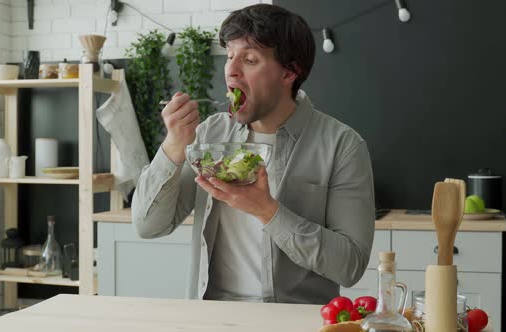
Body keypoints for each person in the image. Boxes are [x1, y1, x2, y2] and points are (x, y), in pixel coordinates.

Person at [132, 3, 375, 304]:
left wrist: (266, 210)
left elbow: (350, 267)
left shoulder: (343, 146)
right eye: (230, 56)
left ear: (289, 72)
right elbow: (148, 225)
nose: (231, 70)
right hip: (213, 318)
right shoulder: (209, 135)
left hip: (295, 322)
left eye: (249, 59)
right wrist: (172, 146)